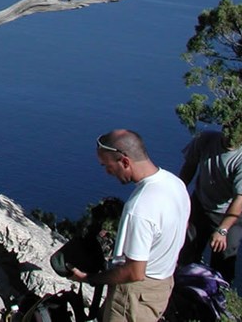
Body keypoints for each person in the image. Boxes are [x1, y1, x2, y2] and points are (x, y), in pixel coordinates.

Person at [69, 129, 190, 322]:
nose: (107, 173)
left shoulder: (140, 207)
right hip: (163, 283)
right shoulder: (175, 184)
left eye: (107, 166)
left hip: (133, 295)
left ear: (125, 161)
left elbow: (134, 272)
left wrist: (88, 279)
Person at [177, 128, 242, 283]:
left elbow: (239, 199)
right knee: (186, 250)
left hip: (228, 213)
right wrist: (178, 194)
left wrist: (223, 230)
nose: (231, 136)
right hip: (200, 204)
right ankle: (181, 289)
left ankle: (219, 294)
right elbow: (189, 167)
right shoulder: (205, 140)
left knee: (224, 258)